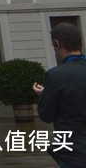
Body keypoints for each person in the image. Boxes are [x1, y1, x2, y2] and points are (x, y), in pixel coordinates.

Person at [34, 22, 86, 167]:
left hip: (74, 154)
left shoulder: (55, 75)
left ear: (57, 44)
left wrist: (45, 95)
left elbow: (46, 115)